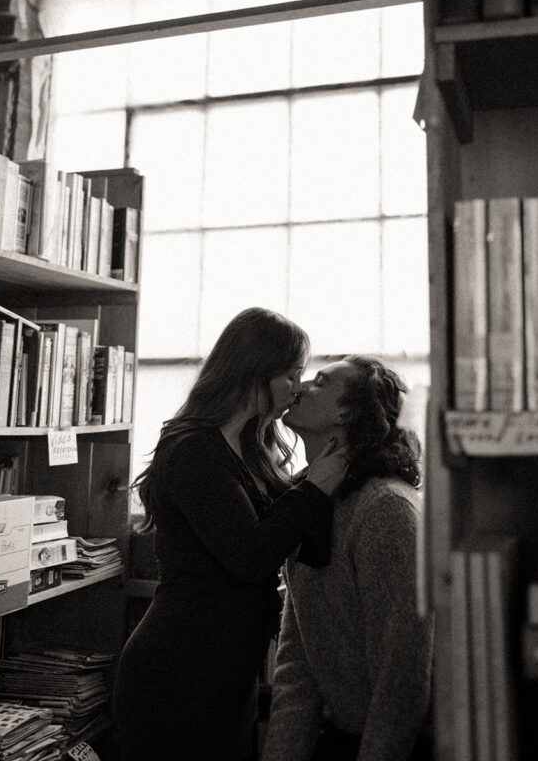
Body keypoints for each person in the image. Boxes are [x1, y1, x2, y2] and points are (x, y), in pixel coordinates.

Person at [113, 307, 348, 761]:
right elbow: (251, 554)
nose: (297, 387)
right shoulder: (193, 449)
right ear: (254, 371)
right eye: (292, 373)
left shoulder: (249, 445)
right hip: (176, 674)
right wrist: (315, 485)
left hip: (228, 673)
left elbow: (282, 522)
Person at [263, 354, 434, 761]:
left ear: (347, 411)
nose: (300, 387)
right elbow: (297, 659)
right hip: (343, 733)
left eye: (320, 381)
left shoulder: (385, 509)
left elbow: (402, 675)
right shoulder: (313, 501)